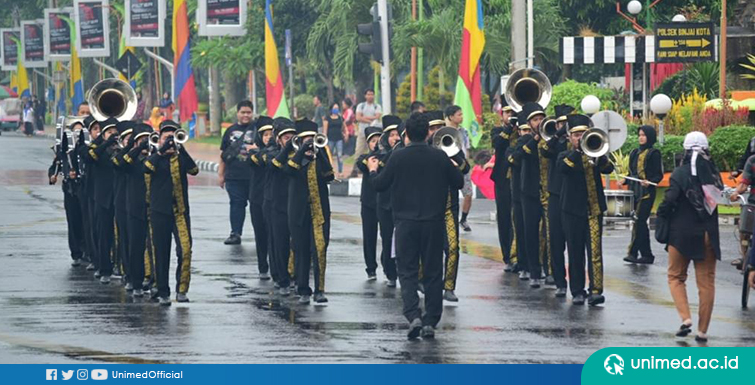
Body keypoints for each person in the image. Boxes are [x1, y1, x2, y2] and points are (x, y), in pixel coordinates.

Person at [369, 112, 464, 340]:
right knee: (433, 272)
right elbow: (459, 182)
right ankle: (431, 319)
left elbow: (380, 186)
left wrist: (373, 169)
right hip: (433, 223)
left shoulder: (398, 157)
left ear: (408, 134)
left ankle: (414, 316)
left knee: (408, 272)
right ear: (427, 134)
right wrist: (453, 165)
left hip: (405, 224)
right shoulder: (439, 157)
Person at [658, 132, 721, 343]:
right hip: (707, 235)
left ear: (684, 150)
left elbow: (670, 201)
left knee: (676, 277)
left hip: (680, 235)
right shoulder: (714, 174)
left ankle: (685, 318)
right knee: (706, 283)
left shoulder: (679, 173)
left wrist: (662, 214)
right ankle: (703, 331)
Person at [557, 114, 614, 306]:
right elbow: (564, 169)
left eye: (583, 134)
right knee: (575, 252)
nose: (580, 138)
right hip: (571, 210)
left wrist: (597, 154)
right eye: (576, 135)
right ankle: (577, 291)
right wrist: (579, 150)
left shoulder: (595, 152)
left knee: (595, 251)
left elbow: (608, 168)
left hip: (594, 209)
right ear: (569, 137)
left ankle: (596, 290)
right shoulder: (564, 155)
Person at [144, 120, 199, 305]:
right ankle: (163, 291)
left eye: (172, 136)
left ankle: (182, 290)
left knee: (185, 250)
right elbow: (147, 168)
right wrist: (160, 152)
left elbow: (194, 170)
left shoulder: (180, 157)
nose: (169, 140)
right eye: (166, 137)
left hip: (180, 212)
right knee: (161, 252)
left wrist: (180, 149)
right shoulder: (154, 157)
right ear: (159, 138)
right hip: (159, 212)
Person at [281, 118, 335, 304]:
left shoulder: (320, 156)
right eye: (306, 138)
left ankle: (320, 290)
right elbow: (289, 170)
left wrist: (319, 154)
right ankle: (303, 288)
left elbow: (329, 176)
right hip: (298, 212)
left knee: (319, 249)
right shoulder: (291, 155)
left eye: (312, 138)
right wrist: (302, 151)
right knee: (301, 249)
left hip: (319, 212)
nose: (310, 141)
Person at [540, 104, 575, 297]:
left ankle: (578, 286)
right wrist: (558, 134)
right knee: (555, 239)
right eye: (561, 123)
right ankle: (560, 281)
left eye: (567, 123)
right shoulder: (556, 142)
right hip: (555, 193)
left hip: (574, 196)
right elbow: (545, 151)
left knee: (575, 242)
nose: (564, 126)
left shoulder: (579, 140)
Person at [115, 124, 152, 297]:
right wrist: (136, 148)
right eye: (141, 139)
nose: (145, 143)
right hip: (133, 207)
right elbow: (122, 164)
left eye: (148, 138)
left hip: (154, 208)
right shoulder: (131, 158)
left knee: (153, 248)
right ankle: (135, 280)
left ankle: (152, 280)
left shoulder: (156, 157)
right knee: (135, 246)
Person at [513, 102, 548, 288]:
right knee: (531, 231)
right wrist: (534, 139)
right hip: (529, 192)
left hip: (548, 192)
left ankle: (549, 271)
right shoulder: (524, 140)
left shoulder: (551, 138)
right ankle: (533, 270)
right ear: (529, 122)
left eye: (542, 118)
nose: (539, 121)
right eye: (535, 119)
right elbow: (517, 157)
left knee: (551, 233)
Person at [83, 117, 120, 284]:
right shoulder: (97, 148)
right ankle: (103, 267)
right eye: (109, 132)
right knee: (103, 233)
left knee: (121, 235)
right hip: (102, 196)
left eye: (115, 132)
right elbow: (90, 157)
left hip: (120, 195)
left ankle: (120, 266)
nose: (113, 135)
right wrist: (105, 142)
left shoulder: (122, 149)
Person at [622, 126, 663, 265]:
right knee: (639, 223)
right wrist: (625, 179)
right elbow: (631, 172)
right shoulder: (634, 152)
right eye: (639, 135)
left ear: (650, 137)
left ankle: (633, 253)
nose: (641, 137)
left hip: (646, 193)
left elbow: (658, 175)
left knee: (639, 221)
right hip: (634, 191)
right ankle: (646, 254)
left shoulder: (654, 153)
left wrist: (650, 182)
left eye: (644, 135)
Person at [48, 120, 86, 267]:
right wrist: (52, 176)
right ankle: (76, 253)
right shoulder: (63, 151)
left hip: (84, 189)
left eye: (80, 133)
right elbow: (55, 167)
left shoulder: (85, 149)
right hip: (70, 190)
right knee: (73, 221)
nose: (77, 136)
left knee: (86, 221)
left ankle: (86, 251)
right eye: (75, 132)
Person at [218, 100, 256, 245]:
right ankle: (235, 233)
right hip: (234, 177)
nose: (246, 115)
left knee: (257, 206)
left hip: (254, 177)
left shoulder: (258, 130)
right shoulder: (230, 131)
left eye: (248, 112)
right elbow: (223, 155)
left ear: (252, 113)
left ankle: (262, 232)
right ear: (237, 113)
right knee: (236, 204)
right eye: (243, 112)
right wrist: (221, 175)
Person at [267, 117, 298, 295]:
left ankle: (295, 276)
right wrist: (286, 149)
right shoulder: (271, 152)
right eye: (286, 137)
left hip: (295, 203)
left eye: (293, 136)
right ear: (278, 139)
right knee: (280, 243)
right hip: (276, 203)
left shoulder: (299, 152)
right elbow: (274, 166)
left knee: (298, 243)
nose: (290, 140)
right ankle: (282, 278)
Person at [486, 99, 516, 272]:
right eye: (507, 112)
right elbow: (498, 144)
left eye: (513, 112)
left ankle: (520, 255)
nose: (510, 115)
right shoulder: (498, 130)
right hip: (503, 179)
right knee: (505, 218)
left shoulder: (522, 130)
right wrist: (509, 128)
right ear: (502, 114)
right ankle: (508, 256)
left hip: (521, 178)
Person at [356, 126, 385, 281]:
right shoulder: (364, 158)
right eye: (373, 140)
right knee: (369, 236)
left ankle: (386, 264)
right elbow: (361, 165)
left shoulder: (387, 157)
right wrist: (374, 153)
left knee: (386, 236)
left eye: (379, 140)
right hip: (368, 202)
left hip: (384, 202)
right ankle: (371, 268)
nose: (376, 143)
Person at [247, 116, 274, 281]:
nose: (269, 137)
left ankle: (278, 267)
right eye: (265, 135)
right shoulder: (254, 153)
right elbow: (258, 161)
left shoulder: (281, 154)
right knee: (260, 233)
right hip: (257, 199)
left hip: (275, 200)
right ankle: (262, 266)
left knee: (276, 234)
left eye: (272, 134)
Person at [111, 122, 136, 281]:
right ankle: (125, 269)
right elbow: (119, 163)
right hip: (121, 200)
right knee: (123, 237)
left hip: (138, 202)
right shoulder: (118, 154)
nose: (131, 141)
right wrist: (130, 148)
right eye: (128, 139)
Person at [445, 105, 474, 232]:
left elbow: (466, 148)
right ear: (451, 117)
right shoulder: (444, 132)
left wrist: (466, 165)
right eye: (458, 115)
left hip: (462, 165)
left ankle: (463, 219)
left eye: (462, 114)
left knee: (468, 193)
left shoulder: (464, 131)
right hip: (450, 166)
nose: (461, 117)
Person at [355, 89, 382, 156]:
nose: (370, 96)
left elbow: (377, 116)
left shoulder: (377, 106)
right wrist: (370, 121)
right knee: (359, 152)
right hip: (362, 133)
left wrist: (364, 117)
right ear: (365, 96)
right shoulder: (361, 106)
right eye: (368, 94)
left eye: (372, 94)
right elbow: (358, 118)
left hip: (373, 134)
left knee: (374, 153)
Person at [323, 103, 345, 176]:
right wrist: (325, 139)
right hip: (330, 139)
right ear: (331, 109)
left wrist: (345, 133)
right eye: (335, 108)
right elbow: (325, 130)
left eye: (337, 108)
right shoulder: (327, 118)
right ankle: (329, 170)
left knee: (339, 155)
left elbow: (343, 127)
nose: (336, 109)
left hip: (339, 138)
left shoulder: (340, 117)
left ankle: (340, 171)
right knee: (329, 155)